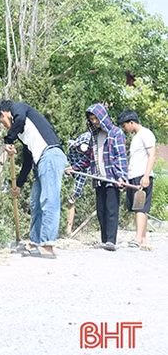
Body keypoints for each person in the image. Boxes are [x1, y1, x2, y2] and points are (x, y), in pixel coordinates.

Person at [0, 100, 67, 259]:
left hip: (50, 155)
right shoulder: (22, 132)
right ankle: (34, 242)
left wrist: (9, 140)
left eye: (3, 122)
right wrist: (19, 184)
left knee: (49, 200)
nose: (6, 126)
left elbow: (19, 120)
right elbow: (28, 159)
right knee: (36, 203)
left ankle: (48, 245)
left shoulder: (18, 108)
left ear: (4, 113)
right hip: (39, 162)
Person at [68, 104, 128, 252]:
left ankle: (111, 241)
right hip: (98, 177)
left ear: (103, 117)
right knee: (101, 211)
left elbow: (121, 156)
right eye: (92, 119)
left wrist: (122, 177)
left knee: (111, 210)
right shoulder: (94, 137)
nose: (95, 122)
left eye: (96, 118)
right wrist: (74, 168)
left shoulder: (116, 133)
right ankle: (104, 240)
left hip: (112, 178)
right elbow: (88, 159)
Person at [117, 110, 156, 250]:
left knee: (141, 206)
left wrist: (146, 176)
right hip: (133, 176)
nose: (124, 129)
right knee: (137, 207)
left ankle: (138, 238)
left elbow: (152, 155)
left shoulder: (146, 134)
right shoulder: (136, 137)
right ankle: (143, 239)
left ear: (131, 122)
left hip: (142, 175)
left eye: (124, 125)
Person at [65, 132, 91, 235]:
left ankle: (68, 230)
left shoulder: (87, 160)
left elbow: (81, 178)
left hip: (77, 174)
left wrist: (75, 193)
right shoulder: (69, 147)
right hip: (64, 172)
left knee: (71, 201)